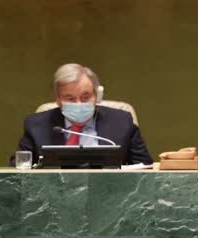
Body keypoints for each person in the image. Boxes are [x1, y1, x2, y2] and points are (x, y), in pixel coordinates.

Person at [13, 63, 152, 166]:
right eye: (70, 98)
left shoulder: (122, 122)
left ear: (96, 97)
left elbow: (145, 168)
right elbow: (17, 169)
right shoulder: (36, 125)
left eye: (85, 97)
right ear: (58, 100)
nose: (79, 104)